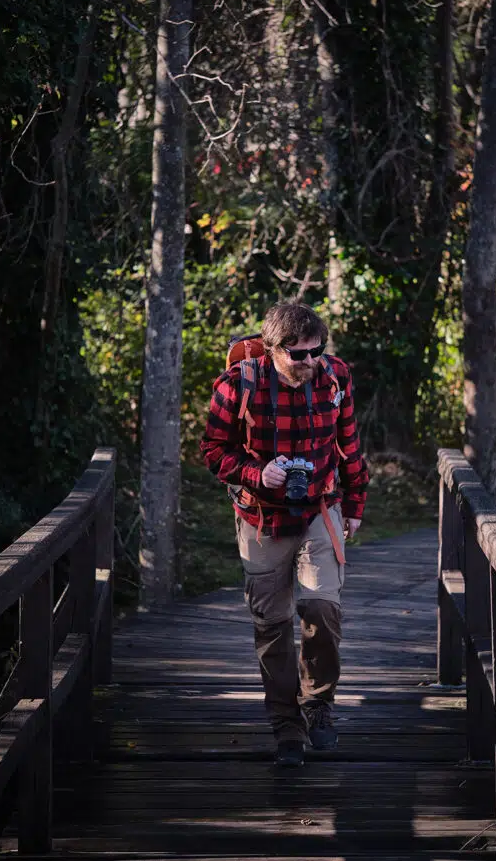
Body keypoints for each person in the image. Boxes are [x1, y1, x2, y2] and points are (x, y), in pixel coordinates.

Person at [200, 300, 369, 767]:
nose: (310, 362)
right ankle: (285, 725)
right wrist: (257, 473)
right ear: (274, 349)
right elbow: (213, 449)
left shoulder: (335, 378)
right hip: (261, 516)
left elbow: (349, 444)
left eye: (317, 350)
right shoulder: (239, 384)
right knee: (272, 627)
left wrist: (354, 504)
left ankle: (318, 704)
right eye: (298, 355)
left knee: (321, 607)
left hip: (320, 507)